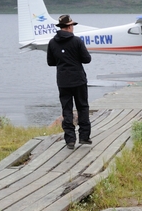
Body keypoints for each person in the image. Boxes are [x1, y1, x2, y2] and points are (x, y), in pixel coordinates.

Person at [47, 15, 91, 150]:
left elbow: (50, 62)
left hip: (63, 81)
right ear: (70, 27)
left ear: (60, 27)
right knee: (82, 107)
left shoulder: (52, 43)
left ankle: (70, 140)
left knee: (67, 109)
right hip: (78, 79)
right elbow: (86, 59)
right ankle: (84, 136)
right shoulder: (77, 41)